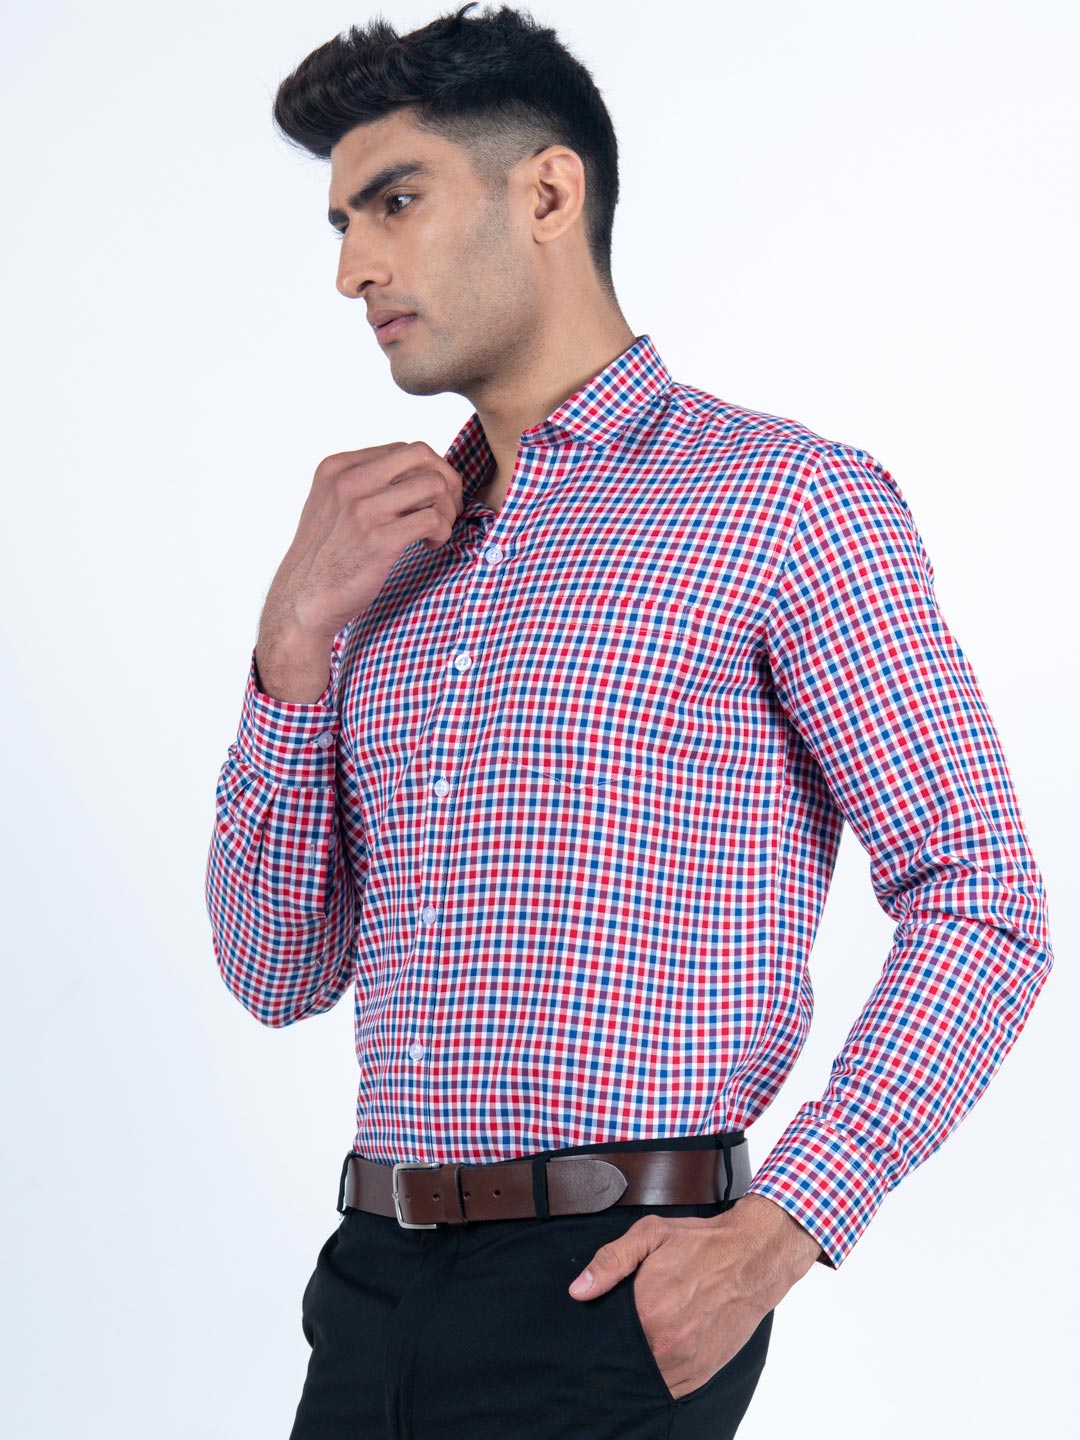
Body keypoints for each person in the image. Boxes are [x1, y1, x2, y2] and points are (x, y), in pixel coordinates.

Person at [203, 5, 1054, 1437]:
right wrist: (292, 645)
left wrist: (782, 1229)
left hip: (612, 1294)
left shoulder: (787, 501)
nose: (353, 269)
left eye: (395, 203)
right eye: (343, 225)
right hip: (369, 1284)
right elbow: (275, 971)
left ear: (547, 192)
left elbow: (983, 902)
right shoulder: (386, 563)